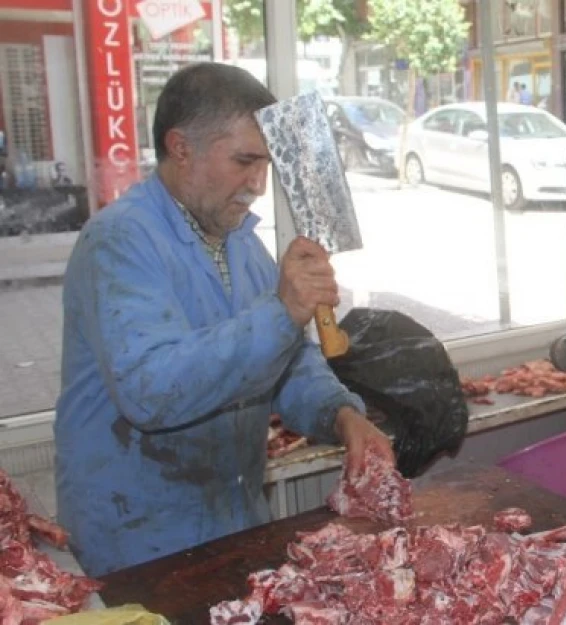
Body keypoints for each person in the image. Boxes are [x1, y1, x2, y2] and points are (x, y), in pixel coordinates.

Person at [55, 62, 393, 577]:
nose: (258, 183)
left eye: (265, 164)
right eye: (244, 161)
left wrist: (341, 415)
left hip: (233, 522)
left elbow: (291, 362)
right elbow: (150, 391)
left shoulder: (241, 241)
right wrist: (281, 311)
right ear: (182, 147)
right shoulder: (118, 242)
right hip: (139, 543)